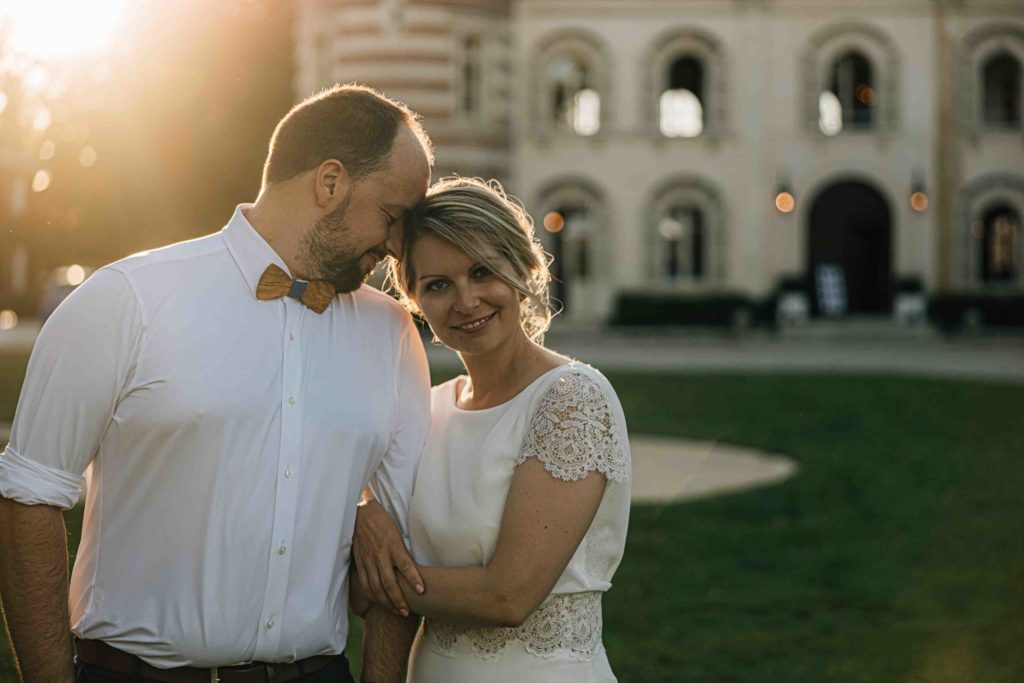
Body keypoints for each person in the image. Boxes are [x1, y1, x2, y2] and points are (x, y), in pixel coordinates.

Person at [0, 84, 433, 682]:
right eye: (392, 216)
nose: (394, 245)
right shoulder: (127, 300)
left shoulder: (390, 335)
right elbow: (28, 495)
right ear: (329, 182)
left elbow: (400, 550)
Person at [354, 177, 632, 682]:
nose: (466, 301)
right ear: (413, 298)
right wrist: (362, 517)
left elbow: (508, 595)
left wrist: (373, 576)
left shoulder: (571, 399)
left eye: (483, 272)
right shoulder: (426, 409)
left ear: (524, 268)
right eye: (438, 285)